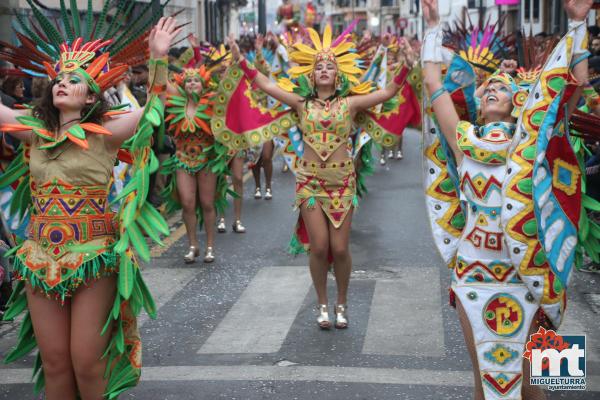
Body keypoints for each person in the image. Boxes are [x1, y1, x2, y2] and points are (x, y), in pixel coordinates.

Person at [0, 4, 178, 398]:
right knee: (56, 363)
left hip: (93, 255)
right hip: (39, 256)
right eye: (59, 78)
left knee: (87, 361)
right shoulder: (36, 132)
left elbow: (154, 110)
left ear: (91, 94)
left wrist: (159, 58)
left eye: (74, 79)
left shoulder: (106, 133)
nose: (63, 83)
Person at [421, 0, 592, 399]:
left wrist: (578, 21)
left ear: (519, 102)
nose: (495, 88)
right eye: (489, 87)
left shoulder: (533, 144)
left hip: (536, 273)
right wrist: (433, 25)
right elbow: (433, 82)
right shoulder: (463, 141)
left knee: (538, 387)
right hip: (475, 273)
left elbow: (576, 86)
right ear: (480, 103)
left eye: (504, 86)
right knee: (486, 380)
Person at [218, 25, 410, 329]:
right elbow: (266, 85)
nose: (323, 70)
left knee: (341, 248)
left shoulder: (351, 104)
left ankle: (342, 301)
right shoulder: (300, 103)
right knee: (319, 247)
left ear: (337, 75)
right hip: (309, 182)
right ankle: (322, 302)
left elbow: (387, 92)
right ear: (311, 75)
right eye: (318, 66)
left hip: (342, 182)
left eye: (329, 66)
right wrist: (242, 61)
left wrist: (405, 68)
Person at [161, 63, 231, 263]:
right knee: (187, 203)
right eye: (189, 80)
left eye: (196, 81)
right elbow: (160, 81)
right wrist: (157, 57)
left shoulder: (211, 102)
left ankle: (209, 246)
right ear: (183, 84)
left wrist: (232, 64)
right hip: (183, 160)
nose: (192, 83)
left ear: (204, 85)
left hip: (207, 160)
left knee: (208, 203)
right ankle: (193, 245)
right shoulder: (177, 102)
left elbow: (228, 89)